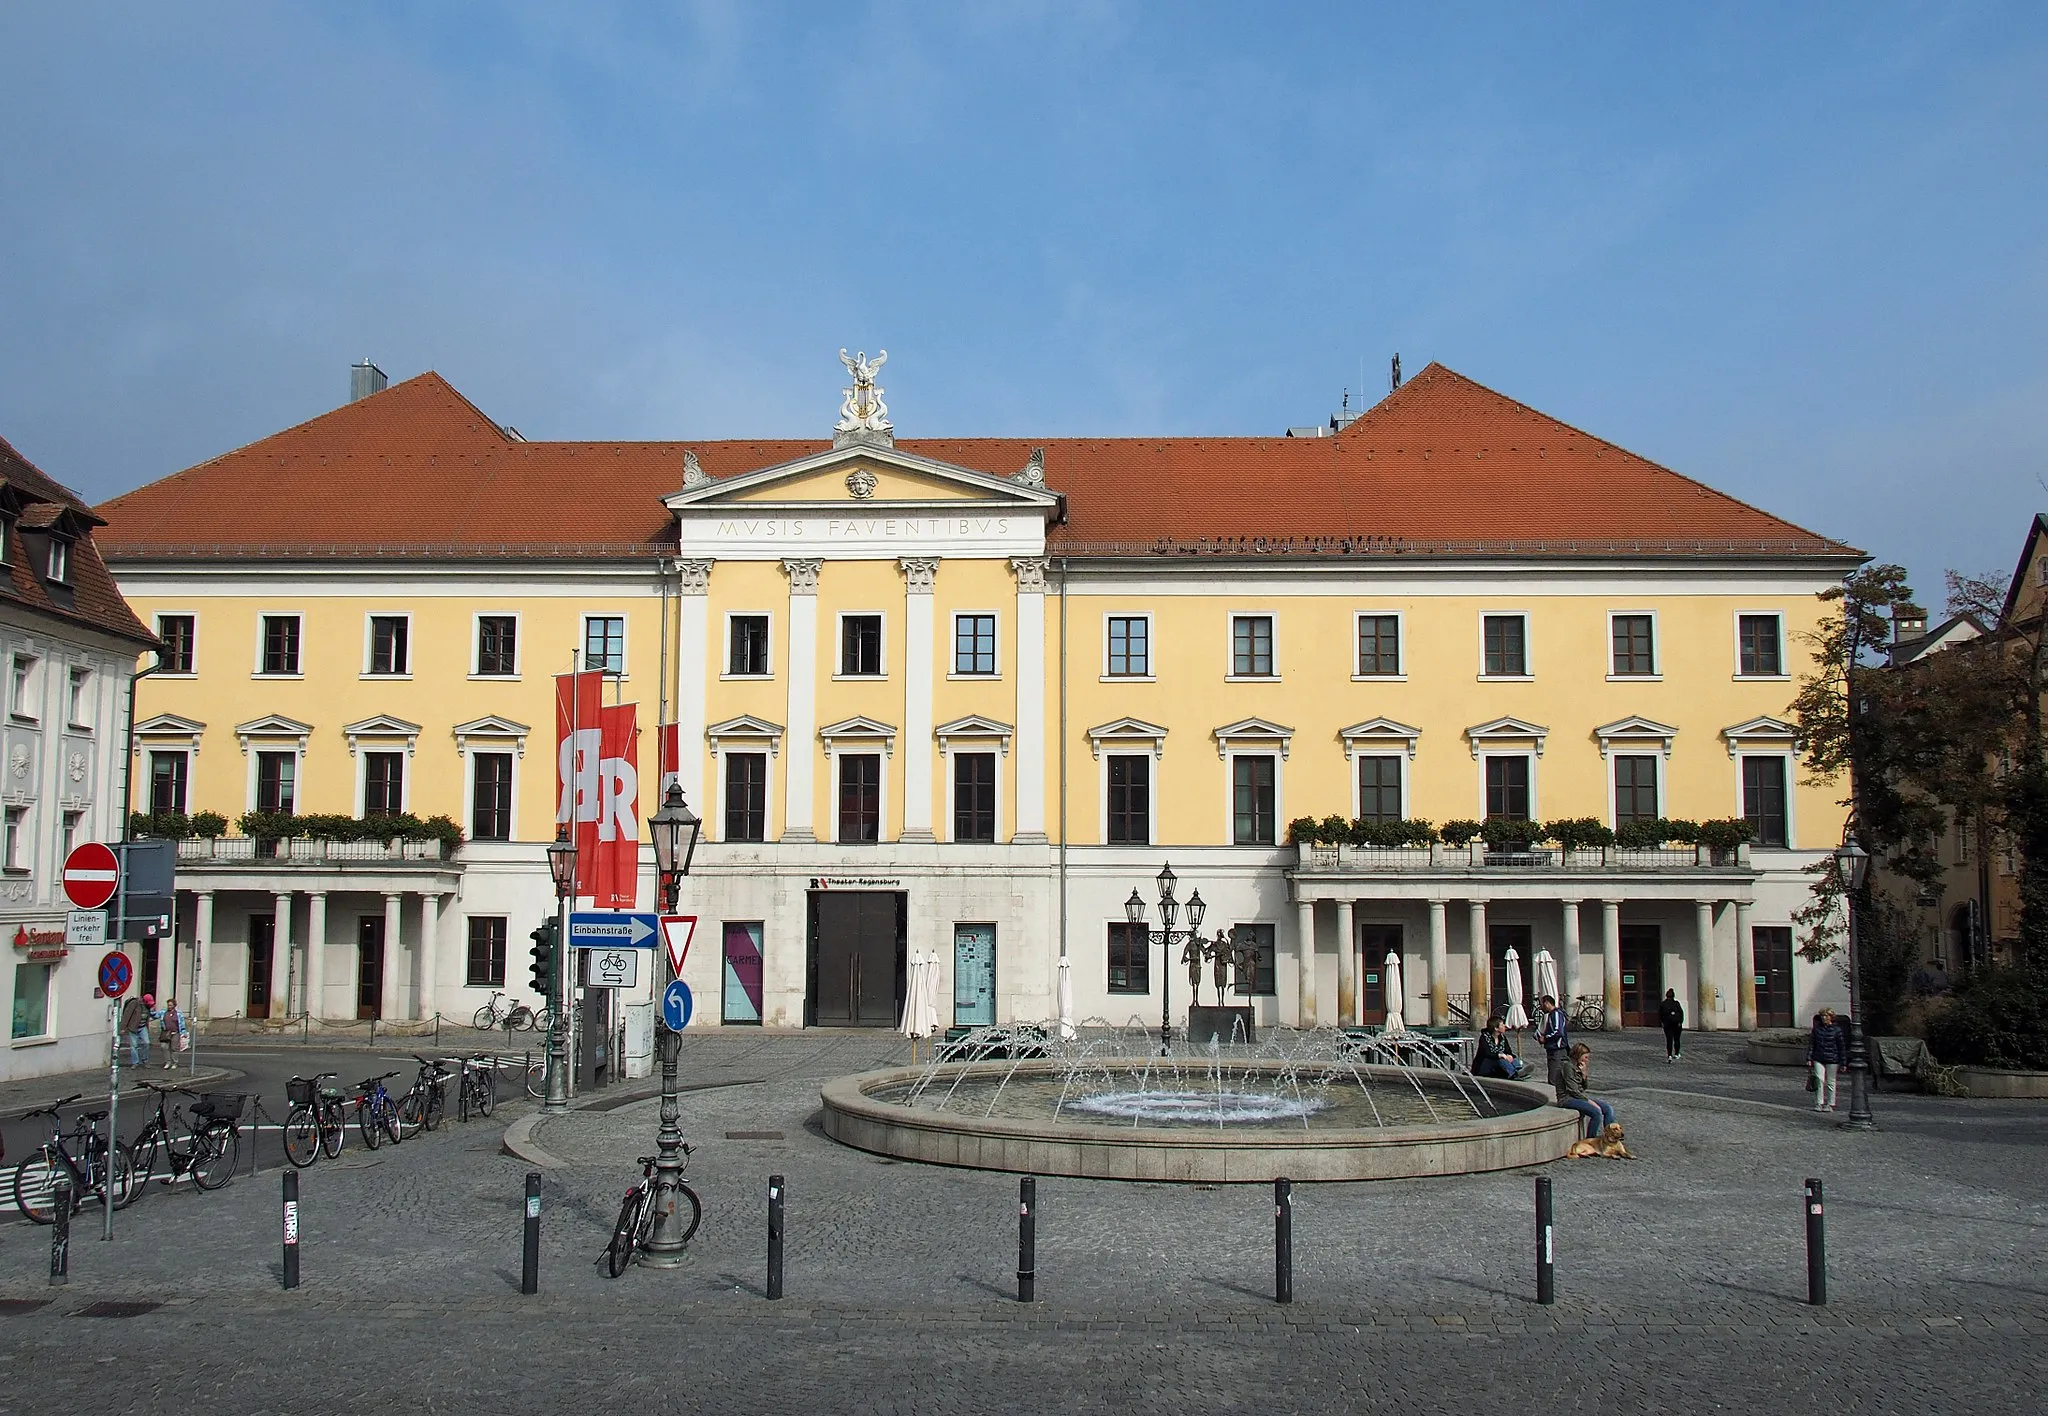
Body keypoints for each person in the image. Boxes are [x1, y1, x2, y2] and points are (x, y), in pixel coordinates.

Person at [1554, 1042, 1615, 1138]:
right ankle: (1591, 1140)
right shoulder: (1567, 1066)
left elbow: (1584, 1087)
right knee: (1596, 1112)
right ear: (1578, 1055)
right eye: (1585, 1057)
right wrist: (1588, 1101)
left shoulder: (1579, 1066)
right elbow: (1572, 1090)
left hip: (1578, 1097)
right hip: (1567, 1099)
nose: (1587, 1060)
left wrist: (1584, 1075)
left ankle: (1610, 1136)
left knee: (1608, 1109)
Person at [1807, 1007, 1847, 1112]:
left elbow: (1841, 1047)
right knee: (1819, 1079)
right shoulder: (1816, 1029)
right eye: (1822, 1016)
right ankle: (1819, 1102)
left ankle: (1830, 1103)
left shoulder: (1837, 1030)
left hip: (1832, 1058)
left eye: (1826, 1016)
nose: (1824, 1018)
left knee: (1830, 1081)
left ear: (1831, 1017)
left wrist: (1843, 1063)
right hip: (1818, 1057)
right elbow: (1812, 1044)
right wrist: (1809, 1058)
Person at [1475, 1014, 1528, 1079]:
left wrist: (1509, 1056)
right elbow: (1487, 1053)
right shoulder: (1484, 1037)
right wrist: (1499, 1055)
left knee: (1512, 1058)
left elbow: (1508, 1050)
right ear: (1496, 1028)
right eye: (1502, 1025)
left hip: (1499, 1062)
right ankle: (1514, 1074)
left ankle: (1520, 1070)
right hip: (1486, 1063)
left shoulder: (1502, 1037)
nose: (1504, 1026)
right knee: (1501, 1059)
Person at [1535, 993, 1570, 1087]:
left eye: (1541, 1005)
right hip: (1553, 1048)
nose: (1541, 1008)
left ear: (1546, 1003)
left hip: (1557, 1049)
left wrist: (1545, 1037)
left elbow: (1558, 1032)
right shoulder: (1551, 1015)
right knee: (1554, 1075)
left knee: (1554, 1078)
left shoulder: (1556, 1014)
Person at [121, 992, 152, 1068]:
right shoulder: (134, 1003)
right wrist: (123, 1028)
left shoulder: (148, 1006)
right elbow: (127, 1015)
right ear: (144, 1000)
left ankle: (145, 1059)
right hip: (133, 1027)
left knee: (147, 1043)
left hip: (143, 1027)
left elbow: (148, 1016)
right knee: (134, 1046)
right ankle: (135, 1062)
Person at [1657, 987, 1685, 1062]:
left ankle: (1669, 1055)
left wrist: (1663, 1022)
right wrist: (1680, 1022)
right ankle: (1676, 1053)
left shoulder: (1663, 1004)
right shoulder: (1676, 1003)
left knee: (1669, 1040)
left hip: (1667, 1024)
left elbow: (1660, 1015)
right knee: (1677, 1039)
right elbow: (1681, 1013)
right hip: (1676, 1024)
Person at [160, 998, 182, 1069]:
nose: (169, 1006)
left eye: (170, 1005)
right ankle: (168, 1062)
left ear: (174, 1005)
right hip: (166, 1032)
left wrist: (183, 1032)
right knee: (164, 1047)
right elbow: (155, 1015)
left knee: (174, 1048)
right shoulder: (164, 1012)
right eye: (168, 1005)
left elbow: (182, 1023)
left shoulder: (178, 1013)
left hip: (175, 1033)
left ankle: (175, 1062)